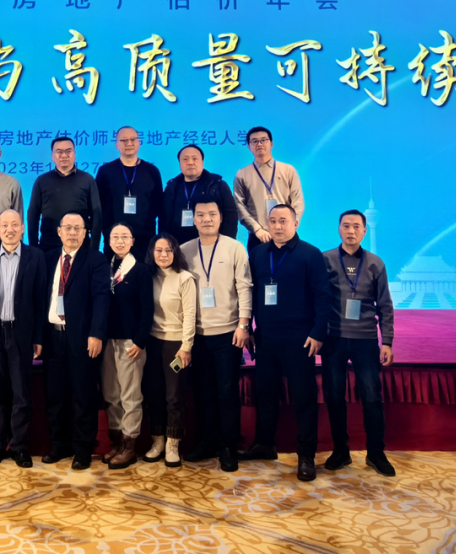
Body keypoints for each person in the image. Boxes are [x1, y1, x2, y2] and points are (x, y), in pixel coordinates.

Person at [239, 204, 331, 482]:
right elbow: (251, 294)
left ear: (295, 224)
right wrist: (249, 328)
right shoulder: (258, 254)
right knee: (266, 393)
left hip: (300, 338)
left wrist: (318, 332)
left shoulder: (310, 254)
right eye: (273, 221)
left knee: (304, 397)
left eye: (283, 221)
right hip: (266, 337)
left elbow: (323, 296)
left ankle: (306, 455)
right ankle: (264, 444)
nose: (277, 226)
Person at [321, 209, 396, 477]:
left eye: (356, 226)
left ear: (365, 231)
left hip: (365, 339)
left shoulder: (375, 263)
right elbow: (317, 300)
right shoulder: (326, 260)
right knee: (334, 396)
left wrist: (387, 341)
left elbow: (385, 305)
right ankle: (341, 451)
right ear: (338, 229)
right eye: (346, 225)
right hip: (334, 338)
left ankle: (376, 453)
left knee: (372, 398)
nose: (350, 231)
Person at [180, 200, 252, 472]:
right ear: (193, 219)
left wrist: (243, 324)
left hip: (228, 333)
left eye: (212, 214)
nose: (206, 219)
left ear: (221, 218)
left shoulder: (235, 247)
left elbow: (244, 287)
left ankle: (228, 446)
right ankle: (208, 441)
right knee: (203, 392)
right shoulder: (185, 250)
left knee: (227, 392)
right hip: (198, 335)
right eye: (200, 215)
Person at [0, 210, 47, 469]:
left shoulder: (35, 256)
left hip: (21, 334)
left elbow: (40, 301)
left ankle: (20, 447)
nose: (10, 229)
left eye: (15, 224)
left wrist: (38, 337)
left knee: (21, 394)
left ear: (23, 228)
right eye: (5, 225)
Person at [42, 212, 109, 471]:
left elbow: (102, 298)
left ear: (85, 233)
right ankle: (59, 445)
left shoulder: (95, 259)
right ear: (59, 231)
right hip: (53, 336)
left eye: (77, 228)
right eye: (67, 228)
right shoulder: (48, 258)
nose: (72, 232)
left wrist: (97, 333)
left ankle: (82, 449)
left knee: (84, 395)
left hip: (83, 338)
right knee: (55, 395)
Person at [100, 223, 152, 470]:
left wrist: (140, 341)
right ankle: (118, 442)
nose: (119, 241)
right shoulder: (104, 268)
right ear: (109, 241)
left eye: (124, 237)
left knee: (130, 396)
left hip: (131, 343)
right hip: (107, 341)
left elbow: (148, 309)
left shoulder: (141, 270)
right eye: (115, 237)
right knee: (111, 395)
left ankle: (129, 447)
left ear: (132, 241)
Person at [142, 233, 196, 468]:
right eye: (159, 250)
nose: (163, 255)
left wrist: (186, 346)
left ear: (176, 252)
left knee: (173, 397)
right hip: (152, 343)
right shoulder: (147, 276)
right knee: (154, 394)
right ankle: (157, 442)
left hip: (176, 346)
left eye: (168, 250)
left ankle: (173, 444)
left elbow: (190, 315)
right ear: (151, 253)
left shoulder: (185, 278)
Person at [95, 126, 163, 261]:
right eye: (124, 140)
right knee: (114, 274)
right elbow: (98, 205)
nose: (129, 143)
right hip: (114, 238)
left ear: (139, 143)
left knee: (143, 272)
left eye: (133, 139)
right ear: (117, 145)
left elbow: (158, 205)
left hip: (145, 238)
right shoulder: (105, 171)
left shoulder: (152, 171)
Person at [234, 127, 304, 253]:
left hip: (287, 234)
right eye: (254, 141)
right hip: (258, 236)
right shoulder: (242, 174)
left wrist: (292, 225)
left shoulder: (288, 170)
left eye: (263, 140)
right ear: (249, 147)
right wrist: (257, 229)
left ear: (271, 144)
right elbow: (239, 206)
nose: (259, 144)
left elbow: (297, 201)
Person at [27, 137, 103, 252]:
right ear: (52, 156)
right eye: (59, 152)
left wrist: (93, 248)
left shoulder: (87, 180)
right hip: (49, 246)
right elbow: (33, 215)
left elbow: (96, 214)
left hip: (81, 247)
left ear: (74, 154)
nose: (64, 155)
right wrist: (34, 249)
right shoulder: (42, 181)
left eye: (68, 151)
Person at [161, 145, 239, 245]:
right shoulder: (172, 187)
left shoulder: (217, 185)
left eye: (195, 158)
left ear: (202, 161)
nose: (190, 162)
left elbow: (230, 215)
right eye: (185, 159)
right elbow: (164, 218)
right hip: (177, 246)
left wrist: (226, 244)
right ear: (179, 163)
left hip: (211, 245)